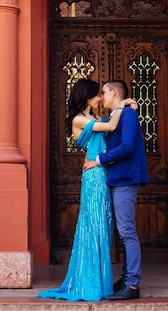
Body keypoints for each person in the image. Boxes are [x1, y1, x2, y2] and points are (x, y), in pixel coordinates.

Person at [38, 78, 130, 302]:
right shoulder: (79, 120)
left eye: (102, 93)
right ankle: (89, 282)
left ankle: (99, 279)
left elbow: (110, 129)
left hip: (102, 173)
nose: (100, 97)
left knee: (103, 226)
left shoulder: (94, 117)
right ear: (86, 95)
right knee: (94, 225)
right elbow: (111, 127)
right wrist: (124, 103)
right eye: (96, 94)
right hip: (94, 176)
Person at [83, 78, 149, 300]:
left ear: (113, 92)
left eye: (103, 92)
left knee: (127, 232)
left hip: (126, 179)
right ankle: (125, 279)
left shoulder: (128, 115)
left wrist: (99, 160)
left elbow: (127, 146)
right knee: (123, 232)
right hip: (117, 179)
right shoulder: (118, 114)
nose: (101, 97)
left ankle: (132, 285)